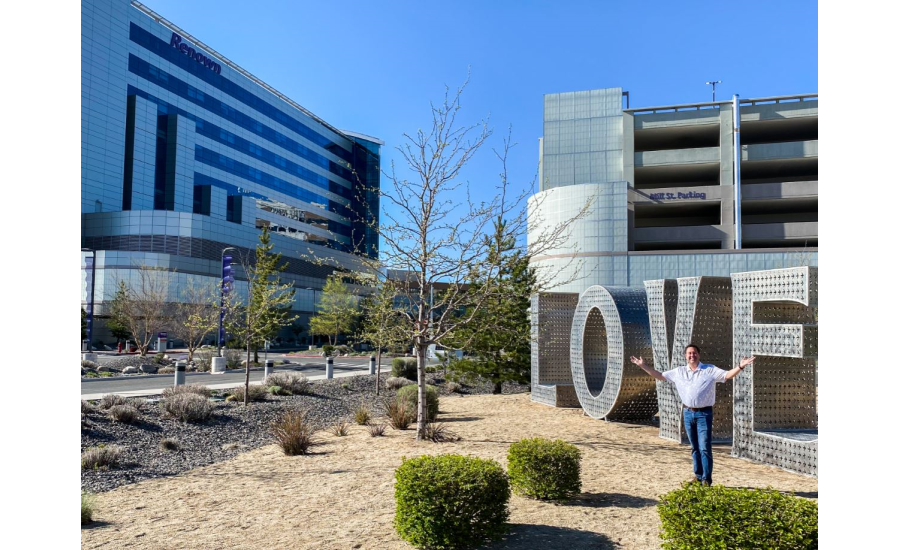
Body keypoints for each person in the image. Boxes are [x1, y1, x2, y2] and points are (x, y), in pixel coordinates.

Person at [630, 345, 755, 486]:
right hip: (688, 413)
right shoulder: (679, 371)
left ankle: (706, 480)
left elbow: (727, 375)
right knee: (694, 447)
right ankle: (698, 476)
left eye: (694, 353)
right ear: (685, 356)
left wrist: (740, 366)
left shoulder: (709, 369)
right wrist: (643, 366)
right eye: (689, 353)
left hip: (704, 414)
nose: (692, 355)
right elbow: (660, 376)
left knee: (704, 447)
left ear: (699, 355)